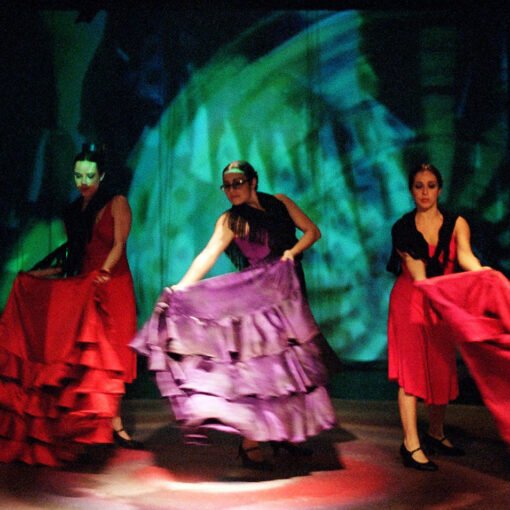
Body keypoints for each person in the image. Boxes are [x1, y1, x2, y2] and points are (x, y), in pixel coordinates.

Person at [131, 160, 337, 469]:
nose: (231, 191)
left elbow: (312, 231)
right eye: (226, 185)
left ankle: (284, 435)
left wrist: (292, 253)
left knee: (290, 369)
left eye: (237, 183)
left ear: (253, 181)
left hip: (289, 292)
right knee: (264, 373)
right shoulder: (230, 221)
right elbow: (208, 255)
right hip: (258, 302)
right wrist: (181, 289)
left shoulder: (280, 202)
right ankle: (250, 443)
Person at [0, 144, 142, 466]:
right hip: (85, 287)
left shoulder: (117, 202)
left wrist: (103, 273)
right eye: (78, 175)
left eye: (90, 175)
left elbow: (119, 244)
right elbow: (72, 255)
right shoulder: (73, 211)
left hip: (113, 285)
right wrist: (39, 273)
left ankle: (115, 426)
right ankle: (96, 431)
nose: (84, 181)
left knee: (113, 356)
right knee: (90, 361)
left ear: (101, 175)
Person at [386, 162, 485, 471]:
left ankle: (436, 433)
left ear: (439, 189)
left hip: (442, 302)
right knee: (412, 373)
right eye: (419, 186)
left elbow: (465, 255)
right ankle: (411, 444)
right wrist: (443, 294)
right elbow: (418, 275)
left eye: (431, 185)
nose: (425, 191)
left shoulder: (456, 223)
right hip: (411, 302)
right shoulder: (403, 227)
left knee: (441, 368)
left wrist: (484, 274)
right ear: (412, 190)